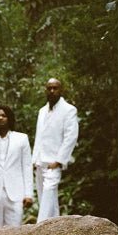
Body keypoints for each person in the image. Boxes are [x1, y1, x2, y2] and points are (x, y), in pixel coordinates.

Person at [32, 78, 79, 222]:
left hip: (54, 163)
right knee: (45, 199)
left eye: (55, 88)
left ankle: (39, 228)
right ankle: (56, 225)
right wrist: (34, 160)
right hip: (40, 162)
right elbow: (39, 137)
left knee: (48, 193)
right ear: (45, 90)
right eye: (49, 88)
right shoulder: (42, 111)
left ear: (61, 90)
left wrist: (59, 161)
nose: (52, 91)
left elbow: (71, 137)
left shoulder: (69, 110)